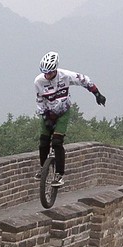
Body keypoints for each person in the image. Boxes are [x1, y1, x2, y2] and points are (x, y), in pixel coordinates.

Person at [34, 51, 106, 187]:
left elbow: (84, 80)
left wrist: (97, 93)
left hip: (62, 112)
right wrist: (45, 117)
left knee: (56, 142)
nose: (47, 75)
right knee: (43, 142)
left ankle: (59, 174)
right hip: (48, 112)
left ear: (55, 70)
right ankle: (43, 168)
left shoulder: (65, 76)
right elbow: (39, 101)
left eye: (49, 73)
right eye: (45, 73)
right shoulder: (39, 81)